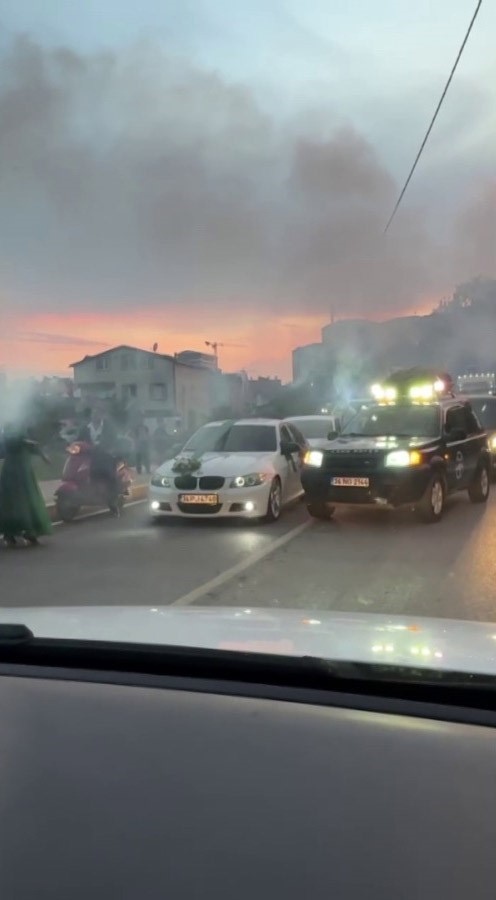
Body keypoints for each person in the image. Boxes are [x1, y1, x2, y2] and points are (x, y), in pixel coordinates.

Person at [0, 425, 53, 547]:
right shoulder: (7, 428)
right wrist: (26, 442)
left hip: (24, 470)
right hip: (12, 469)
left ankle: (30, 532)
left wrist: (42, 455)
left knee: (28, 499)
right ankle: (9, 533)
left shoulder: (21, 426)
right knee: (12, 501)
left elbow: (31, 446)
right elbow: (11, 442)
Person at [78, 409, 120, 514]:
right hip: (88, 456)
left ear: (102, 415)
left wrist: (105, 447)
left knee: (110, 476)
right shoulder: (85, 428)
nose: (96, 416)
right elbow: (78, 440)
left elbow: (113, 439)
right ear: (91, 415)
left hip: (106, 455)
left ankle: (112, 501)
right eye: (94, 414)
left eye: (99, 414)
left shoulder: (108, 427)